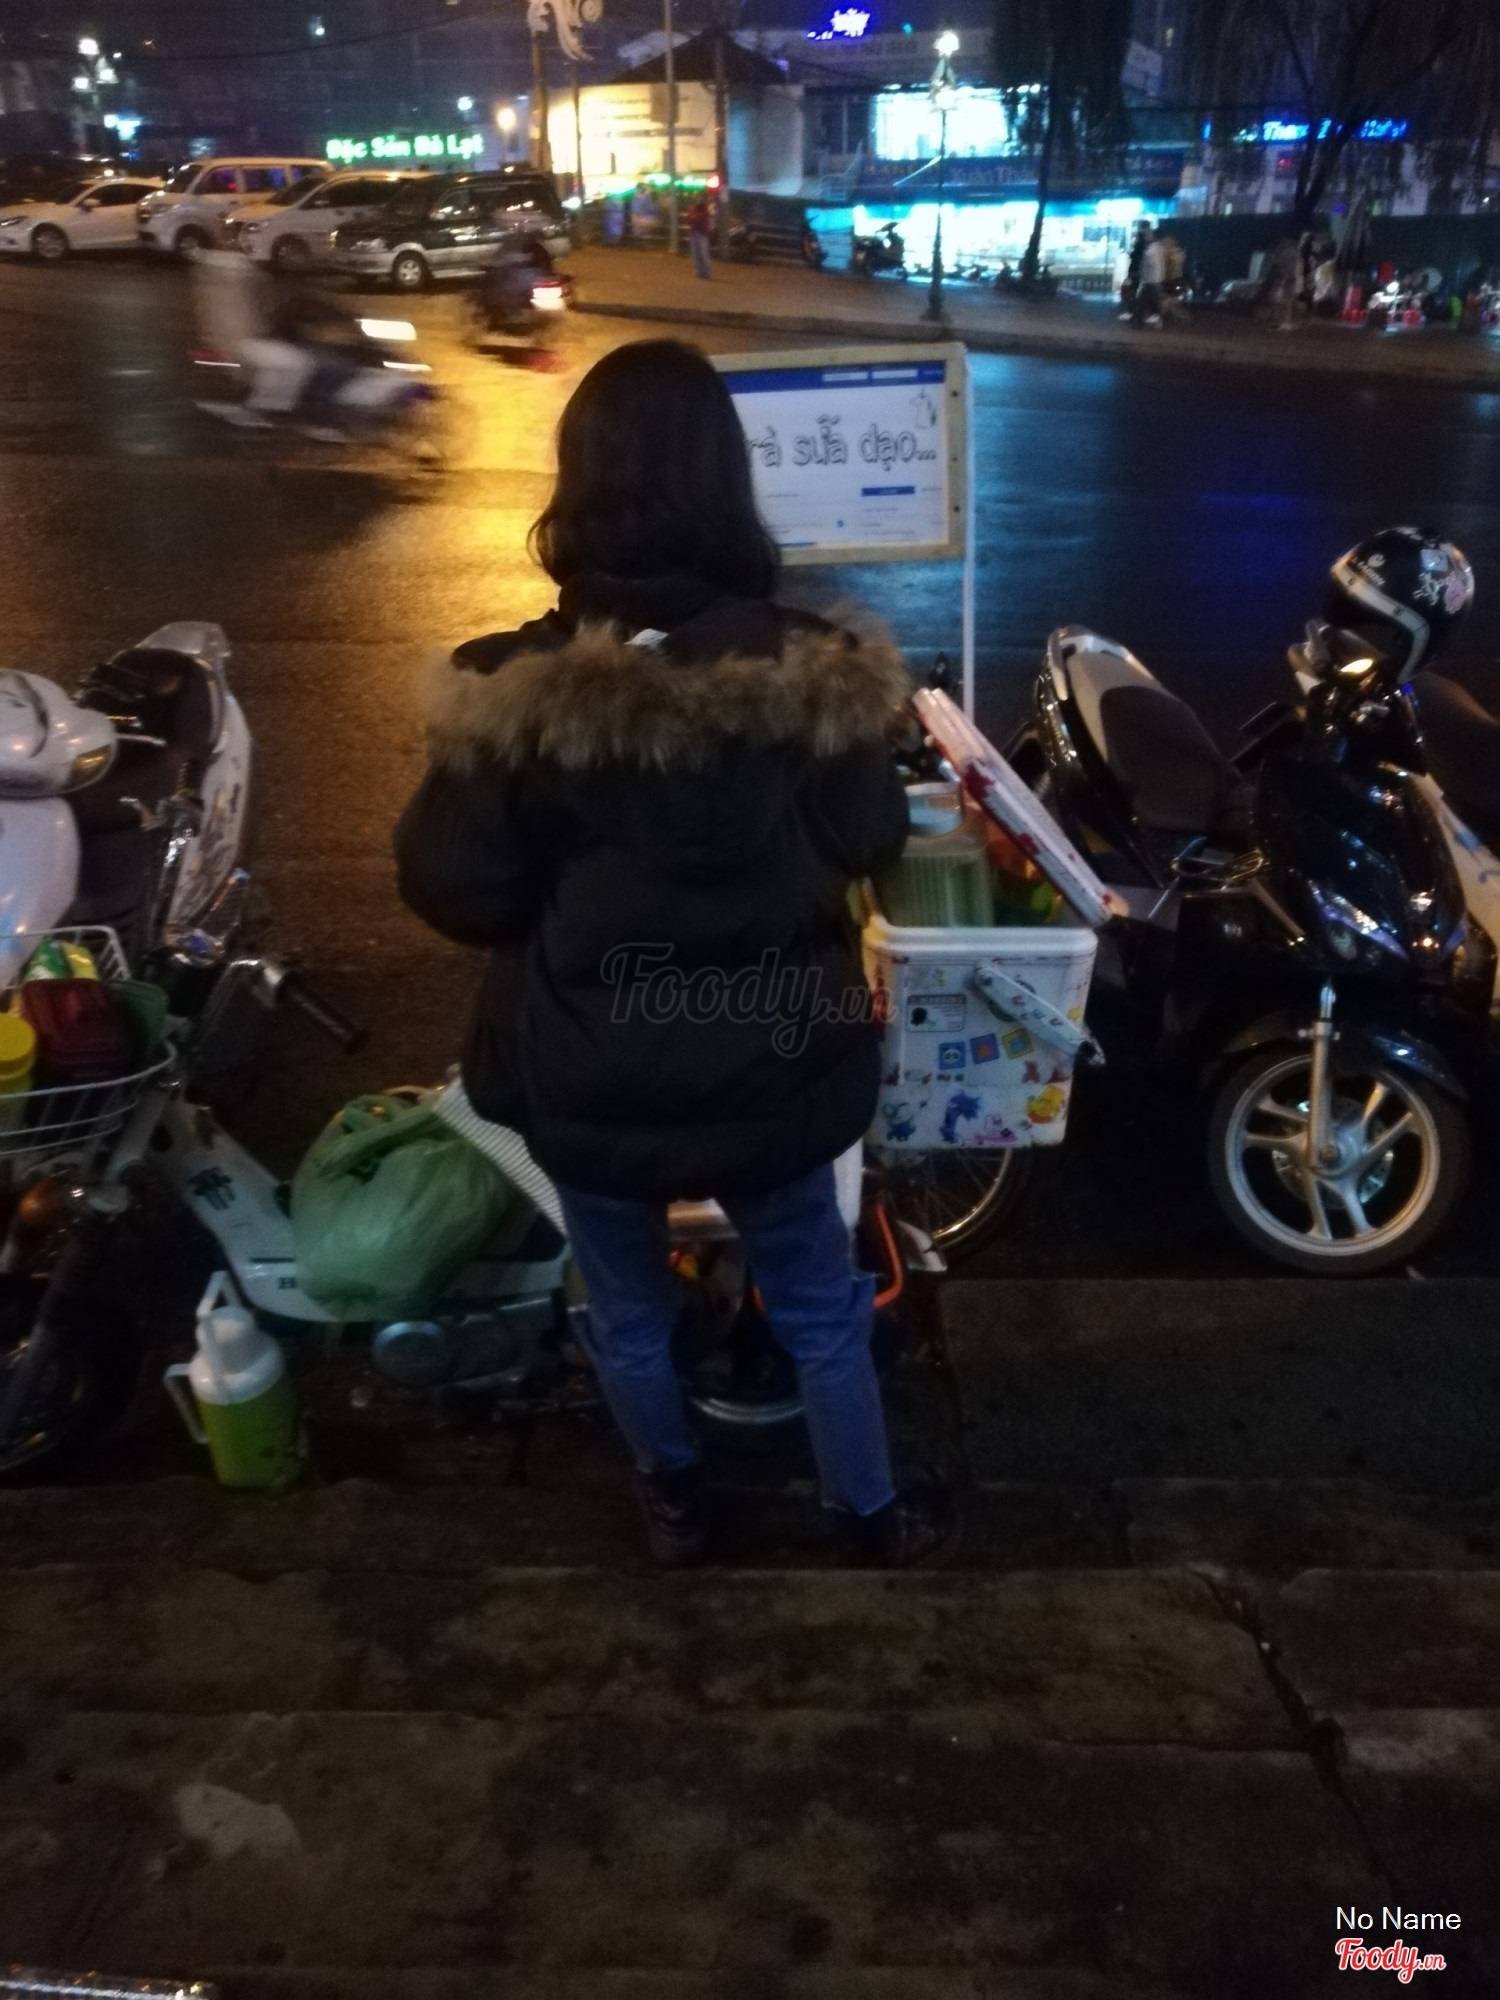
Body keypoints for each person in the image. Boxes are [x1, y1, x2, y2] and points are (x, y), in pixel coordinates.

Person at [395, 338, 950, 1570]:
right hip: (778, 1065)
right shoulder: (814, 669)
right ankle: (865, 1514)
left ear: (578, 486)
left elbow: (458, 889)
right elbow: (867, 835)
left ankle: (676, 1503)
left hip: (591, 1076)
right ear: (725, 481)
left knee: (628, 1309)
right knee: (819, 1304)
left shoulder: (511, 692)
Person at [1131, 225, 1165, 328]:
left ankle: (1139, 320)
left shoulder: (1151, 251)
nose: (1146, 237)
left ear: (1152, 237)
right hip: (1154, 279)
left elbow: (1149, 265)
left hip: (1150, 280)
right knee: (1149, 301)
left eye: (1148, 235)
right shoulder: (1159, 249)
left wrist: (1143, 276)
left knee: (1144, 301)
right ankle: (1141, 320)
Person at [686, 192, 714, 280]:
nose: (699, 201)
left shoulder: (705, 209)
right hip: (695, 233)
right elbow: (690, 219)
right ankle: (700, 272)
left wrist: (696, 217)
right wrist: (697, 217)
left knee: (703, 253)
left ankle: (707, 273)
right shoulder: (693, 208)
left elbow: (698, 219)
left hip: (702, 233)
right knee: (696, 254)